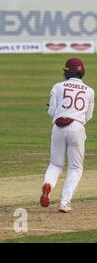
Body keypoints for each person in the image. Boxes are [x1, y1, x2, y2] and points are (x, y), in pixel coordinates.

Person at [40, 58, 94, 213]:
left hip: (58, 127)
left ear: (66, 72)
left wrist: (51, 109)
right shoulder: (89, 91)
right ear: (82, 72)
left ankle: (48, 185)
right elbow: (88, 116)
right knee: (75, 167)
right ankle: (64, 203)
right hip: (77, 127)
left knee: (56, 164)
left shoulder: (57, 87)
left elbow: (52, 112)